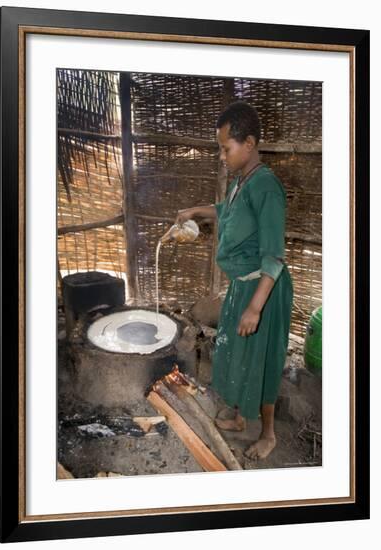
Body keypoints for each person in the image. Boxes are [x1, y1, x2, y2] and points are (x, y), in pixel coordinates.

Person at [175, 101, 293, 460]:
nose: (222, 155)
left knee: (263, 359)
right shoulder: (242, 182)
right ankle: (241, 418)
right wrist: (196, 210)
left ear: (250, 143)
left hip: (264, 292)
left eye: (226, 148)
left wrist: (255, 308)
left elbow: (274, 256)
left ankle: (269, 434)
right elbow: (226, 211)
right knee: (238, 353)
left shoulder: (266, 188)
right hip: (243, 285)